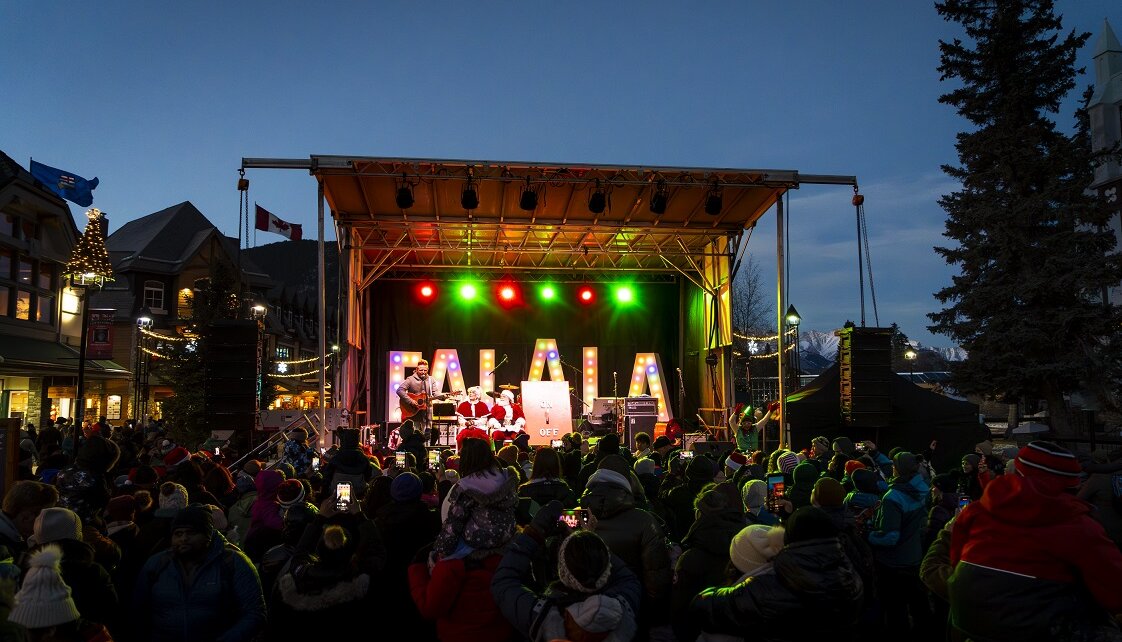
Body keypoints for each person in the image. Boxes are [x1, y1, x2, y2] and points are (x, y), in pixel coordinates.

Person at [948, 441, 1122, 641]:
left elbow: (955, 558)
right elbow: (1115, 590)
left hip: (969, 619)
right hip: (1038, 628)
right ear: (1071, 482)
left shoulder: (976, 510)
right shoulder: (1077, 525)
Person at [492, 500, 642, 642]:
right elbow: (626, 576)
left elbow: (504, 582)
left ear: (562, 571)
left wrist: (534, 532)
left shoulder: (543, 618)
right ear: (606, 569)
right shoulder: (623, 605)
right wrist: (588, 541)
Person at [133, 504, 266, 642]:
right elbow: (139, 611)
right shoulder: (156, 564)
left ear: (208, 536)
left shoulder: (233, 563)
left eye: (191, 533)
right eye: (178, 533)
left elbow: (255, 612)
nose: (184, 538)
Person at [396, 359, 442, 447]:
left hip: (427, 411)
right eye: (421, 370)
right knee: (415, 433)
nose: (423, 372)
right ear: (417, 369)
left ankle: (425, 452)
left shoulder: (430, 380)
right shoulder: (410, 379)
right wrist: (411, 401)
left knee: (427, 434)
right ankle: (415, 451)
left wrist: (442, 396)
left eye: (425, 370)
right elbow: (400, 390)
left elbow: (435, 392)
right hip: (414, 411)